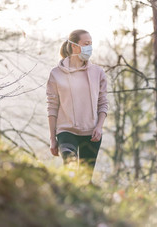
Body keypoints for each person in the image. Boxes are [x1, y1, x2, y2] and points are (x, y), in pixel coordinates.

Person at [46, 29, 109, 184]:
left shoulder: (98, 72)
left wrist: (99, 127)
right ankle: (65, 205)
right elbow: (52, 107)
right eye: (86, 44)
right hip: (66, 131)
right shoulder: (56, 74)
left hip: (91, 134)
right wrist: (52, 138)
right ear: (74, 46)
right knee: (71, 170)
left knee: (85, 180)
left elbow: (103, 103)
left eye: (91, 44)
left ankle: (82, 206)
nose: (90, 48)